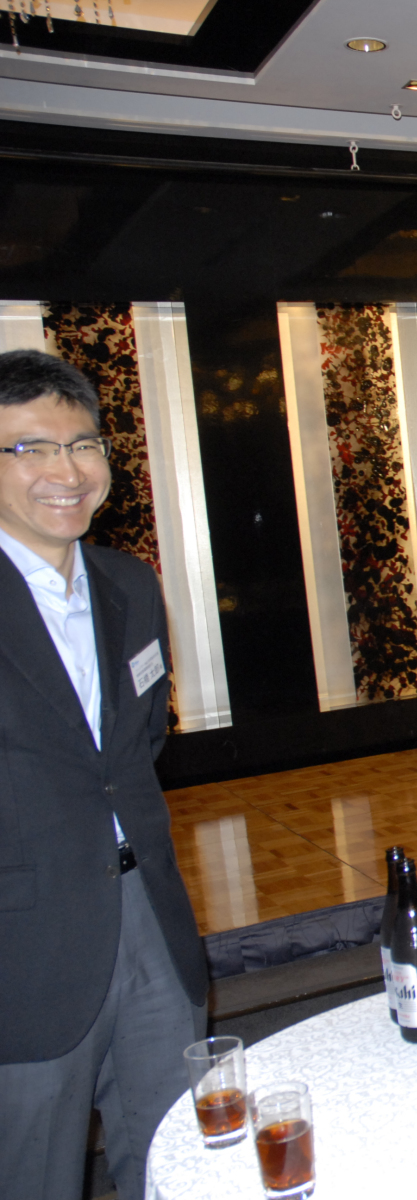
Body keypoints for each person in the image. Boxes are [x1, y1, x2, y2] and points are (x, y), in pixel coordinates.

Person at [0, 350, 208, 1200]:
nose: (67, 471)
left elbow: (136, 746)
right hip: (23, 946)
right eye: (30, 448)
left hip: (148, 914)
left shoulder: (128, 582)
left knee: (177, 1160)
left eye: (83, 444)